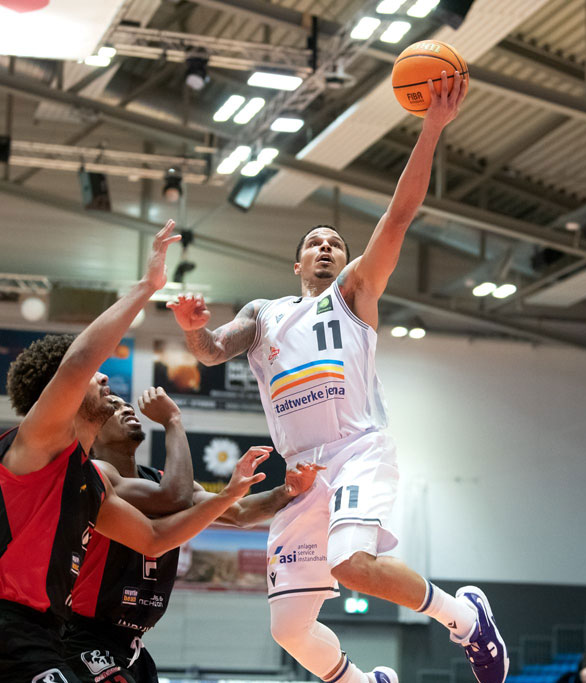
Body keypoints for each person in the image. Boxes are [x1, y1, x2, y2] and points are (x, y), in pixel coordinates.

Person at [168, 71, 506, 683]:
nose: (325, 248)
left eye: (335, 243)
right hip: (302, 473)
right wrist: (192, 328)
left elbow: (399, 218)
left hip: (357, 450)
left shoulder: (353, 295)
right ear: (295, 262)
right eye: (314, 243)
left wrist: (431, 128)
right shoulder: (264, 314)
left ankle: (465, 618)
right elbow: (213, 351)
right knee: (289, 629)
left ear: (345, 261)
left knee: (351, 565)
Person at [0, 221, 270, 683]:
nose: (104, 379)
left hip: (42, 635)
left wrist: (226, 496)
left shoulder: (90, 479)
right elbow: (80, 362)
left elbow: (156, 540)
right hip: (1, 629)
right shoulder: (34, 443)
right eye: (95, 378)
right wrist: (147, 287)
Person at [64, 389, 322, 683]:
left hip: (132, 644)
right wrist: (173, 420)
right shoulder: (98, 474)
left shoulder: (160, 480)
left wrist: (288, 490)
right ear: (92, 431)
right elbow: (174, 496)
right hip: (85, 636)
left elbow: (239, 513)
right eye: (113, 407)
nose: (126, 408)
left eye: (127, 404)